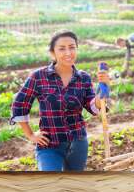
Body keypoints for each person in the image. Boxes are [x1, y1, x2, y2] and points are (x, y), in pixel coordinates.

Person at [10, 30, 110, 172]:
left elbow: (93, 107)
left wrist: (103, 88)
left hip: (78, 143)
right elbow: (20, 104)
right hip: (49, 144)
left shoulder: (83, 78)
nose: (68, 53)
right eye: (62, 49)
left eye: (72, 47)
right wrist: (31, 135)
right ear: (53, 53)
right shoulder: (39, 77)